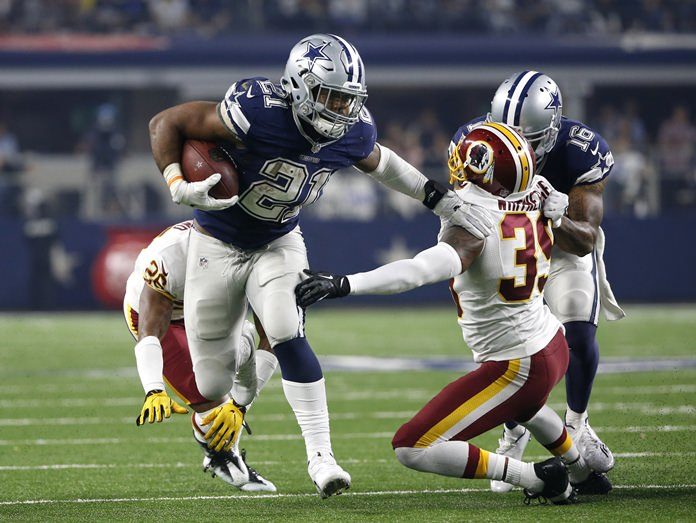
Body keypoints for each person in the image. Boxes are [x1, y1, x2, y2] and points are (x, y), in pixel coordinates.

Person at [147, 33, 494, 498]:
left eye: (349, 99)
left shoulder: (352, 130)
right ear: (299, 85)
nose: (342, 109)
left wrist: (437, 198)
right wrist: (176, 182)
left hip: (279, 240)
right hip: (216, 241)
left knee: (286, 328)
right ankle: (246, 344)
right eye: (331, 96)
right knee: (212, 385)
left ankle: (322, 457)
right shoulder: (257, 110)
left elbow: (382, 162)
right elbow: (165, 122)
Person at [296, 122, 611, 504]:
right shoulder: (540, 190)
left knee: (411, 445)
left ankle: (538, 478)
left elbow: (417, 271)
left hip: (518, 362)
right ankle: (581, 470)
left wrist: (345, 284)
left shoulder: (473, 223)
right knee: (528, 406)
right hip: (551, 342)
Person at [449, 71, 625, 490]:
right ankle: (514, 429)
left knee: (578, 325)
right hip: (507, 247)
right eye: (506, 133)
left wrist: (557, 217)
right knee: (504, 350)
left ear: (552, 128)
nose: (516, 145)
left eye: (526, 137)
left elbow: (584, 241)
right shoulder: (473, 142)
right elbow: (466, 213)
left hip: (560, 248)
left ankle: (577, 424)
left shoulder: (580, 149)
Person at [123, 220, 277, 492]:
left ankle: (228, 423)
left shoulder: (257, 256)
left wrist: (241, 406)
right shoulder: (171, 256)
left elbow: (273, 338)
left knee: (247, 341)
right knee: (212, 407)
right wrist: (154, 388)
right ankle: (220, 454)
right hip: (169, 316)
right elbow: (150, 330)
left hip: (211, 309)